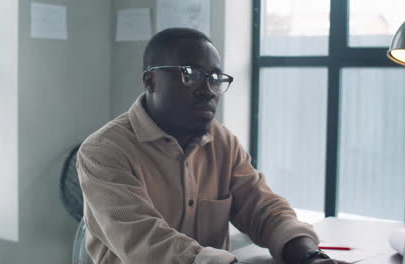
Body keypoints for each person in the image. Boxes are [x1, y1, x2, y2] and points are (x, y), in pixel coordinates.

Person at [77, 27, 349, 264]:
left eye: (215, 79)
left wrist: (311, 257)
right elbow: (146, 244)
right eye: (191, 74)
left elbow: (264, 209)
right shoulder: (104, 151)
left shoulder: (223, 143)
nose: (207, 89)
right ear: (151, 81)